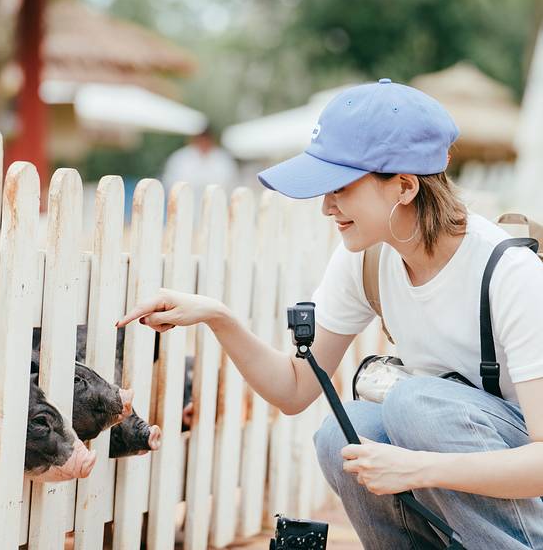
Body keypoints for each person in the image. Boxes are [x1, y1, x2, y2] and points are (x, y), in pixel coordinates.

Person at [117, 79, 543, 549]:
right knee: (345, 436)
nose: (325, 206)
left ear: (404, 186)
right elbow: (295, 389)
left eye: (339, 187)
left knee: (413, 403)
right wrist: (219, 318)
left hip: (528, 500)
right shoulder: (367, 259)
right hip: (466, 471)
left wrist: (419, 468)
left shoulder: (510, 273)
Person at [161, 125, 238, 220]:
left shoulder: (223, 159)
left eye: (206, 138)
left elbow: (231, 185)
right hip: (184, 211)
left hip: (216, 212)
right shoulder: (180, 158)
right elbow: (170, 184)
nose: (203, 142)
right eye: (201, 138)